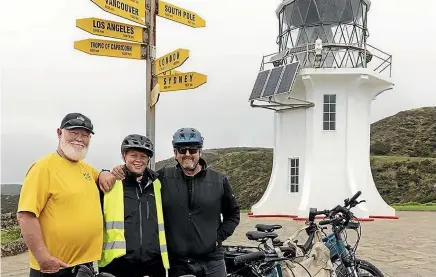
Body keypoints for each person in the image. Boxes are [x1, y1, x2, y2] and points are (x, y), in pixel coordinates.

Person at [111, 127, 241, 277]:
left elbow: (233, 214)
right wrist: (111, 172)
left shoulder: (219, 180)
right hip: (178, 263)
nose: (187, 154)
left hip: (212, 261)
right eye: (182, 150)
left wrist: (217, 237)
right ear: (175, 153)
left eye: (192, 150)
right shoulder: (163, 177)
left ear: (200, 152)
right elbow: (139, 174)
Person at [17, 112, 116, 277]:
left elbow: (100, 175)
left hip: (85, 266)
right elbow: (25, 216)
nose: (79, 138)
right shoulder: (43, 168)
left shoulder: (85, 169)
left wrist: (105, 173)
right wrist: (43, 258)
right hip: (54, 268)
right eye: (74, 133)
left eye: (85, 135)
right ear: (59, 132)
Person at [97, 134, 170, 277]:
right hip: (117, 263)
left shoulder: (157, 184)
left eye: (143, 156)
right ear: (124, 156)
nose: (138, 160)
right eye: (133, 155)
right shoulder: (111, 183)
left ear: (148, 159)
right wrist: (103, 172)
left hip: (153, 264)